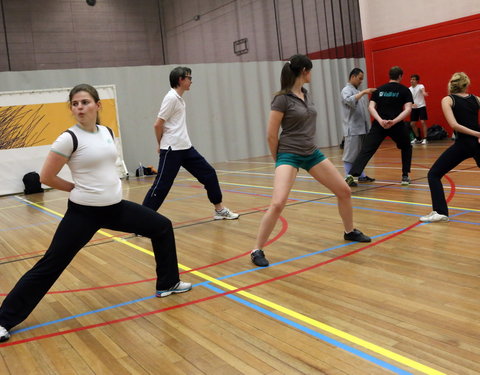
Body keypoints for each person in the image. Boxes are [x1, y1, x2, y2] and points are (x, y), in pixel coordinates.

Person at [0, 84, 191, 343]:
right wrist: (74, 187)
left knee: (162, 226)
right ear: (71, 108)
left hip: (115, 208)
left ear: (97, 106)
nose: (80, 107)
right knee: (51, 264)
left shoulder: (106, 132)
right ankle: (4, 320)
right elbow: (47, 176)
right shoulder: (69, 138)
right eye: (75, 103)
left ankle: (167, 283)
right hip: (83, 213)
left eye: (85, 102)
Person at [250, 55, 371, 267]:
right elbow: (271, 134)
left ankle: (349, 231)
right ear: (304, 70)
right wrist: (279, 160)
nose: (311, 75)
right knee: (278, 203)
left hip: (311, 152)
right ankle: (256, 250)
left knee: (344, 191)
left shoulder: (305, 94)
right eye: (311, 71)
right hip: (288, 153)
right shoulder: (282, 99)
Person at [142, 66, 239, 220]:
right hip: (172, 150)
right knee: (161, 186)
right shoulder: (171, 98)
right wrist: (160, 144)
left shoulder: (179, 99)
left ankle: (219, 210)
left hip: (185, 148)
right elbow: (157, 124)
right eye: (189, 78)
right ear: (181, 80)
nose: (191, 81)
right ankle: (142, 221)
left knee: (209, 174)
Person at [420, 72, 480, 222]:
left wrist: (476, 134)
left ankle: (440, 212)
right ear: (466, 84)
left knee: (433, 174)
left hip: (464, 144)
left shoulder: (448, 100)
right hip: (476, 143)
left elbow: (454, 125)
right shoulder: (476, 99)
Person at [345, 66, 413, 186]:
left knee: (367, 149)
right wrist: (394, 121)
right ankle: (405, 176)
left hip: (379, 125)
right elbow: (408, 109)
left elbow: (371, 107)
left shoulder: (379, 90)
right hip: (396, 125)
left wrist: (381, 120)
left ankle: (351, 174)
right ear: (400, 76)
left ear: (389, 76)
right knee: (406, 147)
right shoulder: (405, 90)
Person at [341, 68, 377, 187]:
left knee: (360, 154)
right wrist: (363, 92)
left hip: (362, 128)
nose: (361, 81)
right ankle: (348, 177)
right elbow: (349, 101)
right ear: (353, 77)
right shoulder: (346, 90)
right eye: (360, 78)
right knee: (350, 155)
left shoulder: (357, 90)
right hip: (353, 129)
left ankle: (361, 175)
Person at [409, 74, 429, 144]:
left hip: (421, 106)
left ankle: (425, 138)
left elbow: (422, 90)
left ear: (417, 81)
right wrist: (412, 103)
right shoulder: (409, 89)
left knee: (423, 122)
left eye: (414, 79)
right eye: (411, 79)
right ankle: (418, 138)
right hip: (414, 108)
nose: (412, 81)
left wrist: (424, 93)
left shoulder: (420, 86)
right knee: (412, 124)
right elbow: (409, 99)